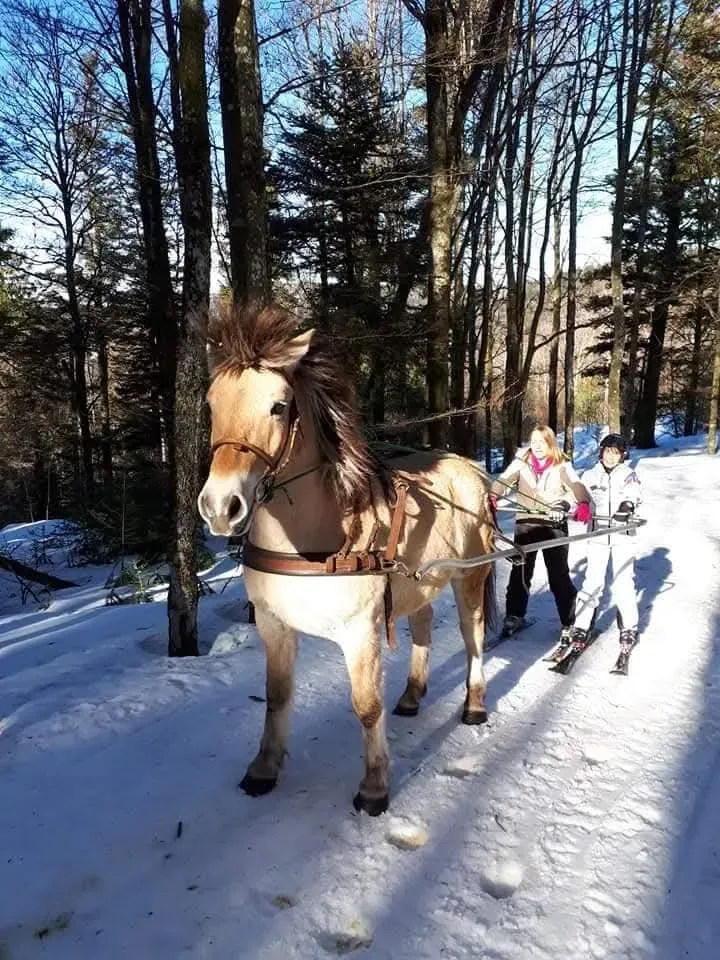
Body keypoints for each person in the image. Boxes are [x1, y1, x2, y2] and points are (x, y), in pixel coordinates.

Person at [491, 425, 592, 641]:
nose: (537, 446)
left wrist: (576, 503)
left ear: (550, 443)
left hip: (553, 524)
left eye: (541, 442)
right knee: (520, 572)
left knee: (558, 575)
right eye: (533, 441)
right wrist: (492, 494)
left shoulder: (561, 464)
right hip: (526, 523)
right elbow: (503, 480)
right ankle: (515, 614)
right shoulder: (522, 461)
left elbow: (576, 486)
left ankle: (569, 620)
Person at [569, 433, 642, 652]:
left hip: (622, 535)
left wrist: (627, 506)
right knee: (592, 582)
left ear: (622, 455)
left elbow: (634, 492)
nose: (611, 457)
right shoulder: (590, 475)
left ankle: (628, 626)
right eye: (608, 451)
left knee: (623, 583)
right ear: (601, 452)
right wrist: (569, 506)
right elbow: (578, 495)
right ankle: (582, 625)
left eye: (616, 453)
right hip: (598, 534)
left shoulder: (629, 474)